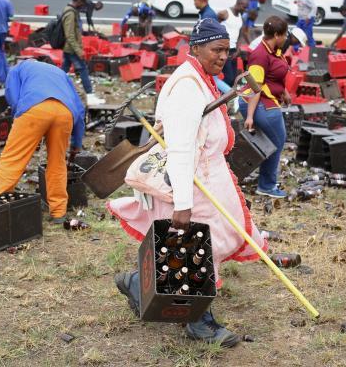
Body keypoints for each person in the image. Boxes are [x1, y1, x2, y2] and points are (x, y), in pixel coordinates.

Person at [109, 18, 267, 348]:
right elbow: (181, 147)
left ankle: (137, 284)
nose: (223, 56)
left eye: (226, 50)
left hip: (205, 178)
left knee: (207, 246)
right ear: (195, 48)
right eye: (216, 49)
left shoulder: (201, 79)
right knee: (199, 250)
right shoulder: (186, 87)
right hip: (191, 182)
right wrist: (183, 202)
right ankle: (200, 324)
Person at [0, 60, 85, 224]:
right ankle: (58, 212)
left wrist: (22, 118)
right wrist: (76, 143)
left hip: (34, 108)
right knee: (57, 162)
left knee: (13, 159)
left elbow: (12, 95)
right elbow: (79, 108)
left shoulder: (18, 68)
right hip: (65, 113)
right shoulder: (60, 73)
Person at [239, 16, 297, 198]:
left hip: (269, 101)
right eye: (285, 34)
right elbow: (255, 87)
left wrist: (284, 92)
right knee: (277, 141)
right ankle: (266, 186)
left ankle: (263, 179)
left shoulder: (274, 50)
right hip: (260, 103)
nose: (287, 37)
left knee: (272, 142)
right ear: (277, 34)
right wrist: (250, 116)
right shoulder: (259, 55)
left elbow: (274, 76)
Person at [61, 0, 104, 106]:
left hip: (69, 48)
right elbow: (69, 34)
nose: (84, 5)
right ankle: (90, 96)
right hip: (72, 49)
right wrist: (79, 50)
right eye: (83, 2)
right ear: (79, 1)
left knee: (63, 71)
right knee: (83, 70)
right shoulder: (70, 13)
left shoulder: (72, 11)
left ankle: (55, 89)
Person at [217, 0, 249, 86]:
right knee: (228, 77)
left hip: (233, 50)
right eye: (244, 7)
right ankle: (219, 95)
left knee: (234, 78)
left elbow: (240, 34)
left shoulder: (240, 17)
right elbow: (214, 26)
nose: (245, 10)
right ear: (239, 4)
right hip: (223, 49)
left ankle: (226, 97)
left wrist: (238, 49)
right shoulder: (225, 13)